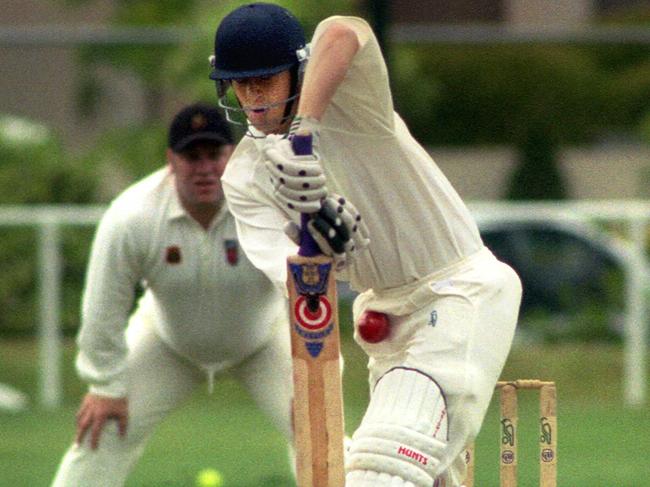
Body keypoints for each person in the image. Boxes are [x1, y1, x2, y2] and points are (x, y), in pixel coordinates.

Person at [209, 3, 523, 487]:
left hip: (459, 293)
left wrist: (303, 132)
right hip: (385, 324)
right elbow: (298, 284)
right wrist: (321, 251)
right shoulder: (246, 177)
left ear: (298, 71)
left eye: (265, 79)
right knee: (429, 477)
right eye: (240, 81)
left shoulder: (351, 101)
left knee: (381, 471)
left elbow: (342, 30)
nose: (252, 95)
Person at [51, 103, 293, 486]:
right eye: (191, 156)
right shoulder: (132, 216)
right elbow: (103, 307)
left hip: (264, 339)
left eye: (214, 155)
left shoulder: (269, 204)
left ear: (232, 156)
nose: (204, 168)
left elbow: (306, 283)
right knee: (102, 431)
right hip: (167, 344)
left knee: (320, 428)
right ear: (171, 160)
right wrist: (105, 385)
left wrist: (316, 357)